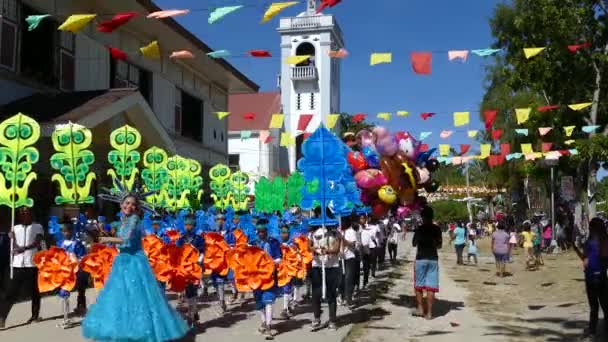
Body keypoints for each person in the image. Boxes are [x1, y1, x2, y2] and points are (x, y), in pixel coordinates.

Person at [82, 183, 188, 341]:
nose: (130, 206)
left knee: (136, 296)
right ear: (121, 204)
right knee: (121, 297)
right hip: (122, 261)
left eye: (133, 204)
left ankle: (140, 332)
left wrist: (105, 238)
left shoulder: (134, 219)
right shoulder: (123, 220)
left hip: (134, 262)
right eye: (127, 203)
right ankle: (124, 331)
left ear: (137, 207)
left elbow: (125, 240)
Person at [0, 207, 44, 329]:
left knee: (35, 291)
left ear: (31, 214)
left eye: (26, 212)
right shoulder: (15, 228)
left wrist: (24, 248)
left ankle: (35, 316)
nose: (24, 214)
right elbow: (13, 245)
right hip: (17, 264)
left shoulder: (38, 227)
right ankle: (2, 318)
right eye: (21, 213)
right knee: (9, 292)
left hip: (32, 263)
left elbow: (37, 242)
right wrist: (12, 239)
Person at [573, 218, 608, 338]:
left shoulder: (590, 242)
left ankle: (593, 331)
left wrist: (576, 249)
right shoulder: (605, 240)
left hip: (591, 278)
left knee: (594, 307)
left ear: (592, 228)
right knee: (605, 305)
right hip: (601, 277)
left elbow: (585, 260)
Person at [252, 218, 282, 337]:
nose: (261, 233)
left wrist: (271, 263)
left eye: (263, 231)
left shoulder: (273, 242)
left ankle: (269, 325)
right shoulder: (253, 243)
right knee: (259, 302)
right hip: (256, 277)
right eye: (259, 231)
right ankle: (264, 321)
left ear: (266, 231)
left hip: (269, 275)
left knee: (268, 300)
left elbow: (279, 258)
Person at [412, 206, 442, 320]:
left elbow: (414, 244)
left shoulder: (419, 229)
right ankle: (429, 313)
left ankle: (420, 308)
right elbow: (439, 245)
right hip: (433, 259)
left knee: (419, 285)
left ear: (422, 217)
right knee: (431, 287)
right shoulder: (437, 229)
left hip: (421, 259)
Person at [309, 223, 341, 331]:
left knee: (331, 293)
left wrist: (327, 251)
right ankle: (316, 318)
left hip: (332, 266)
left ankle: (332, 320)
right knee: (316, 293)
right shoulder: (313, 233)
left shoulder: (336, 233)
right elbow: (309, 247)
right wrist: (316, 250)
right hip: (317, 266)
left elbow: (336, 249)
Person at [176, 215, 205, 325]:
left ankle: (191, 315)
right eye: (186, 225)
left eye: (190, 225)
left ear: (194, 226)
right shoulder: (181, 239)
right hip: (185, 269)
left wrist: (198, 262)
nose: (188, 227)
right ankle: (194, 313)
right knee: (188, 292)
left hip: (196, 268)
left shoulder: (199, 239)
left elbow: (202, 252)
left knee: (193, 291)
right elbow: (177, 253)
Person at [58, 223, 88, 317]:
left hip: (77, 270)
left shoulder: (77, 243)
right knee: (64, 292)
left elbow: (82, 257)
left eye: (68, 231)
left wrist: (75, 260)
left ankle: (81, 307)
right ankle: (66, 315)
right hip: (65, 270)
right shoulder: (60, 243)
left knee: (81, 289)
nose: (66, 233)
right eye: (64, 231)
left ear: (72, 231)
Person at [342, 218, 360, 309]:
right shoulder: (339, 231)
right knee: (341, 280)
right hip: (341, 259)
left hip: (350, 257)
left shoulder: (351, 232)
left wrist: (343, 240)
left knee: (348, 279)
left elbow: (352, 244)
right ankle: (342, 297)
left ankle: (348, 299)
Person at [359, 215, 374, 288]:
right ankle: (358, 284)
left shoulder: (369, 228)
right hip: (359, 249)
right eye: (361, 218)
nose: (362, 220)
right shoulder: (357, 228)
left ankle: (365, 281)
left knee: (366, 267)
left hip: (367, 249)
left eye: (363, 218)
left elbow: (371, 237)